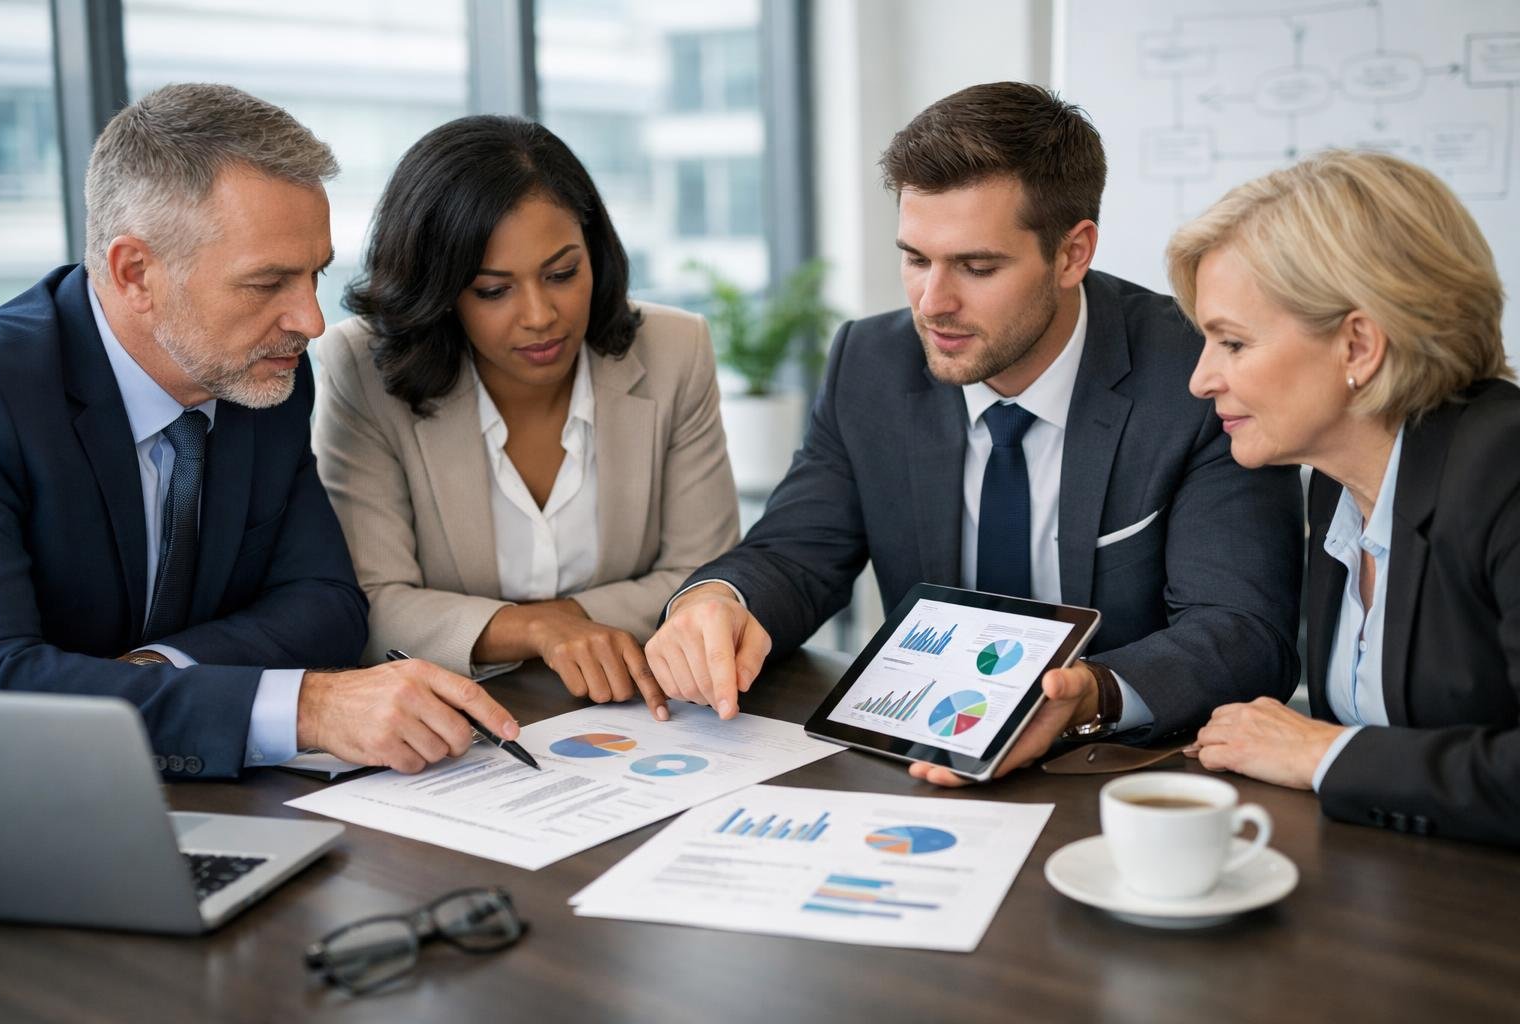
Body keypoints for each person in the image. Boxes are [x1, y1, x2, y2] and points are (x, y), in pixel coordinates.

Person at [646, 82, 1304, 784]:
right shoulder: (869, 363)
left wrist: (1093, 694)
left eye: (977, 266)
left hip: (1121, 774)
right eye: (916, 258)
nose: (934, 304)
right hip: (919, 762)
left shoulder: (1196, 374)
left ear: (1073, 253)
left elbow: (1242, 632)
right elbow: (797, 553)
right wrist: (717, 600)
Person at [0, 84, 522, 779]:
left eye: (316, 276)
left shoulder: (259, 376)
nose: (311, 321)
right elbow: (1, 685)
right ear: (135, 273)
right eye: (267, 283)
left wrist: (153, 672)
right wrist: (307, 709)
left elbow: (325, 605)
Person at [312, 115, 739, 718]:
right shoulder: (362, 367)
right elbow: (370, 603)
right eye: (493, 290)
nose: (540, 315)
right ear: (438, 291)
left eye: (563, 274)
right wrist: (537, 630)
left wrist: (570, 624)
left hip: (643, 711)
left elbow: (704, 577)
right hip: (461, 720)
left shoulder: (676, 351)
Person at [1174, 150, 1519, 846]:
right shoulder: (1337, 481)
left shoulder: (1505, 467)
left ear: (1358, 345)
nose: (1201, 379)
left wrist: (1318, 751)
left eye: (1232, 343)